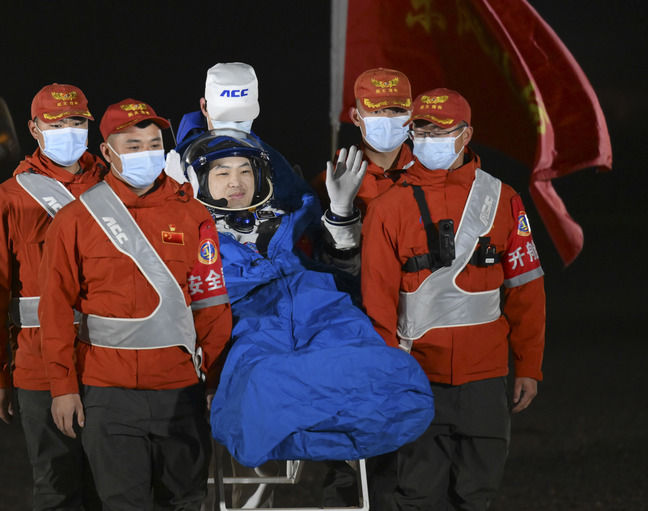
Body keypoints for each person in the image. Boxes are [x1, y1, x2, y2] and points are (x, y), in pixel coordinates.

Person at [176, 131, 434, 506]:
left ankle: (326, 424)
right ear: (198, 180)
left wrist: (341, 211)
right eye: (223, 172)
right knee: (260, 381)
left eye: (245, 171)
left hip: (322, 307)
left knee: (390, 371)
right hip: (254, 320)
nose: (236, 181)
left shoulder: (293, 217)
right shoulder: (188, 233)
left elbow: (344, 268)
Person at [37, 99, 232, 510]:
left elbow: (211, 304)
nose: (146, 153)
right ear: (107, 152)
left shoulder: (194, 215)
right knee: (122, 503)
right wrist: (63, 387)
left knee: (186, 501)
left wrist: (215, 381)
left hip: (180, 391)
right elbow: (54, 309)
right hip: (108, 395)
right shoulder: (75, 220)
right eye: (133, 145)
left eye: (154, 144)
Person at [361, 88, 546, 509]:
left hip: (486, 378)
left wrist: (529, 365)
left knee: (477, 496)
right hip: (417, 376)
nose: (429, 140)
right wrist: (390, 376)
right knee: (417, 495)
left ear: (466, 135)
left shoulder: (503, 198)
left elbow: (527, 288)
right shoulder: (388, 208)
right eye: (422, 131)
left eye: (441, 131)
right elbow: (378, 304)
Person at [0, 83, 105, 510]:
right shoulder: (6, 202)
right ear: (34, 129)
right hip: (40, 365)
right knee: (57, 489)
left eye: (76, 122)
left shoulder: (116, 187)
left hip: (113, 363)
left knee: (116, 488)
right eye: (56, 123)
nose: (69, 131)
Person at [173, 61, 313, 212]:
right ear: (204, 107)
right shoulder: (178, 160)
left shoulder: (271, 160)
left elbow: (304, 205)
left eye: (241, 118)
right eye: (224, 118)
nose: (232, 126)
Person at [313, 67, 414, 215]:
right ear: (356, 117)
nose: (387, 118)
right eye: (376, 111)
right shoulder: (329, 182)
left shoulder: (431, 175)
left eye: (397, 110)